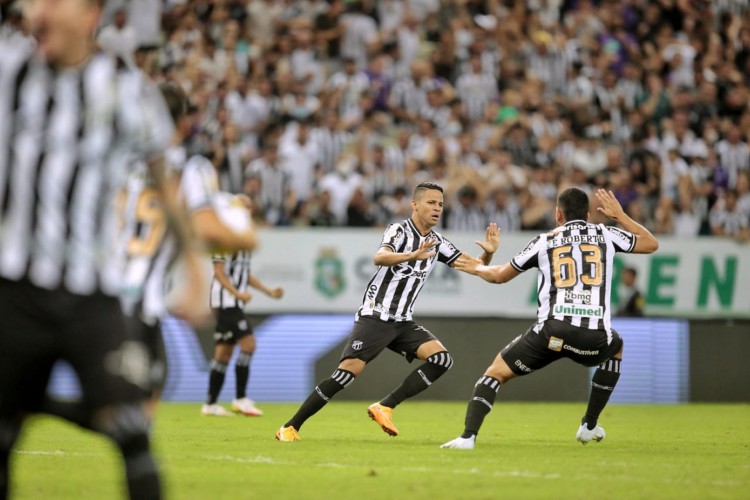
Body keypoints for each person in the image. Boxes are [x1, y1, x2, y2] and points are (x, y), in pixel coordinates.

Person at [0, 0, 188, 498]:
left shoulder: (129, 93)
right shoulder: (8, 69)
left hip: (92, 293)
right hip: (13, 290)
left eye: (53, 2)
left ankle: (38, 401)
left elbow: (165, 181)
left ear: (90, 14)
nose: (37, 12)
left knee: (132, 428)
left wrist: (195, 268)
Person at [275, 182, 499, 441]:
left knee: (441, 360)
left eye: (440, 204)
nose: (437, 208)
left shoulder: (437, 242)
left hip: (402, 322)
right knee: (346, 374)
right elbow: (380, 257)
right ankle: (290, 427)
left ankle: (384, 406)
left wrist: (489, 255)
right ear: (414, 204)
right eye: (431, 202)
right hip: (376, 316)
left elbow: (476, 268)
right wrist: (412, 255)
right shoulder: (399, 230)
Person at [441, 188, 658, 449]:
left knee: (495, 374)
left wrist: (478, 267)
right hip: (594, 335)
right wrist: (621, 216)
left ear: (558, 214)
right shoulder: (606, 234)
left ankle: (468, 437)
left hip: (551, 332)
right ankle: (589, 425)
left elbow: (500, 276)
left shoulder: (545, 240)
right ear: (588, 215)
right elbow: (650, 243)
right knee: (617, 345)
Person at [203, 194, 285, 417]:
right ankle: (240, 399)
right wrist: (236, 293)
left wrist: (268, 291)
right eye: (244, 207)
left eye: (249, 207)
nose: (248, 210)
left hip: (232, 301)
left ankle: (210, 404)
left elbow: (243, 273)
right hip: (225, 302)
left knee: (223, 353)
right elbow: (219, 273)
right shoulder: (224, 237)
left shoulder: (243, 238)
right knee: (248, 345)